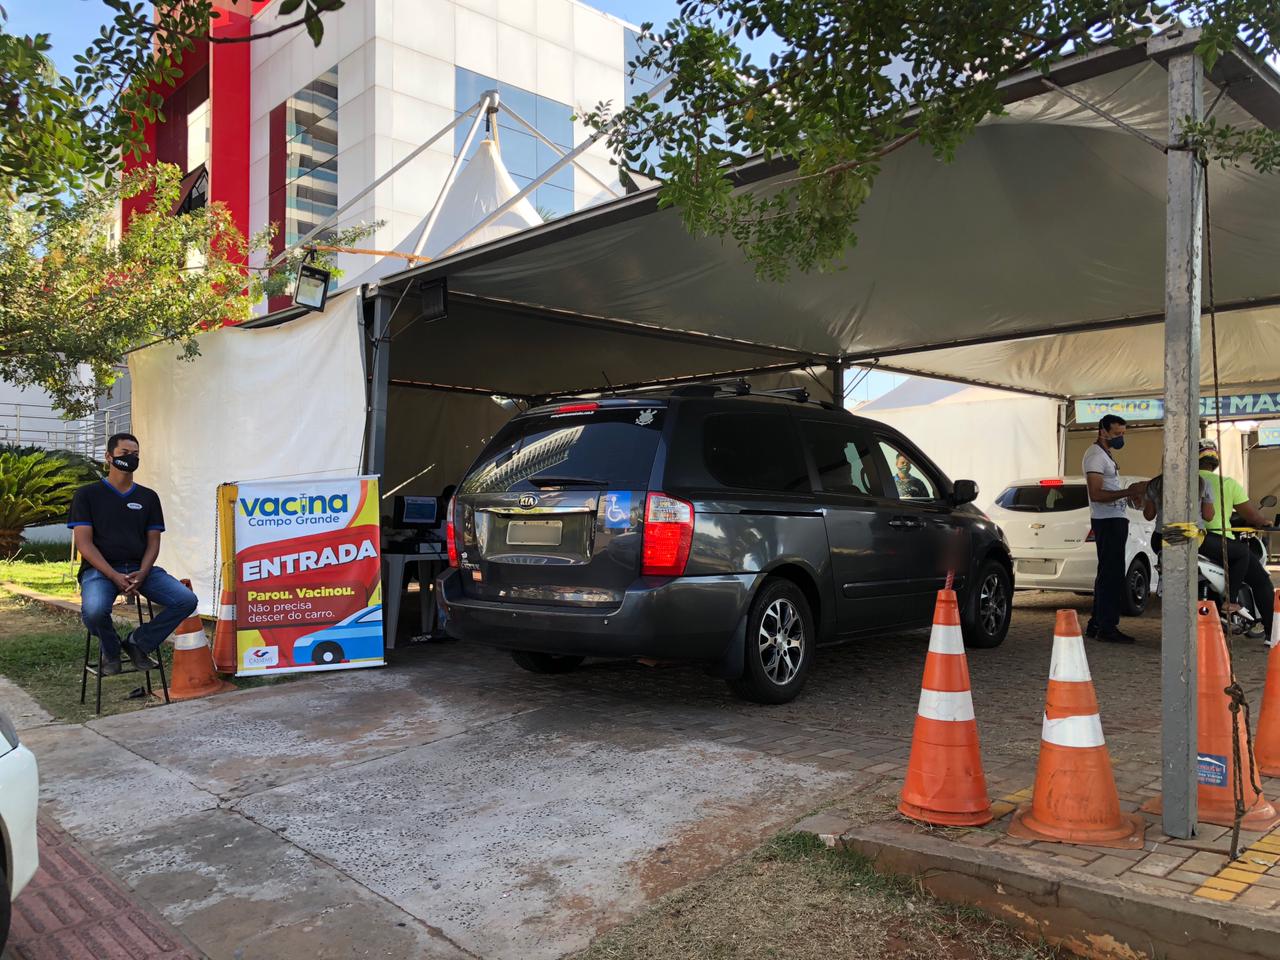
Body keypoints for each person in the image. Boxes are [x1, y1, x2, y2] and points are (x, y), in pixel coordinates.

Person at [67, 433, 198, 675]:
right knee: (94, 612)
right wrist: (114, 575)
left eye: (135, 455)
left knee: (186, 600)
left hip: (140, 569)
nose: (131, 459)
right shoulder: (86, 495)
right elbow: (84, 544)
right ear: (109, 457)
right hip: (100, 570)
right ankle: (112, 650)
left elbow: (153, 543)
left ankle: (138, 643)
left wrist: (143, 572)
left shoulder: (148, 497)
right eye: (125, 454)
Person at [1198, 438, 1275, 642]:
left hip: (1192, 540)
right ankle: (1271, 633)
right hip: (1219, 541)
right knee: (1261, 582)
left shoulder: (1183, 483)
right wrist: (1262, 521)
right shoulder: (1226, 483)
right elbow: (1252, 516)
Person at [1082, 415, 1146, 643]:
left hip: (1114, 519)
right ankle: (1107, 627)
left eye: (1123, 434)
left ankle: (1097, 623)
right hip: (1107, 521)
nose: (1120, 439)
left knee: (1107, 574)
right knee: (1112, 575)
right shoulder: (1095, 456)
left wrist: (1130, 497)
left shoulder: (1106, 456)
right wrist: (1128, 492)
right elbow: (1097, 494)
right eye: (1117, 434)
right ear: (1103, 431)